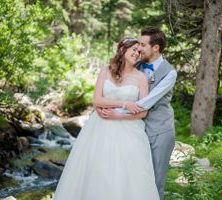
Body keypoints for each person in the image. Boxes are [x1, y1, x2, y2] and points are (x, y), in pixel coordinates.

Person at [53, 37, 160, 200]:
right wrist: (125, 103)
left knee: (125, 174)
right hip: (100, 126)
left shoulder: (141, 78)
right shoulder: (106, 70)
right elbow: (97, 100)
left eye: (139, 51)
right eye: (134, 50)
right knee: (97, 171)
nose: (137, 54)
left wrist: (119, 115)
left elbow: (143, 112)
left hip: (129, 129)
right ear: (123, 50)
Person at [98, 27, 177, 200]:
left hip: (159, 130)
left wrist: (114, 112)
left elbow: (146, 102)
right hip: (135, 130)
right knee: (134, 179)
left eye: (142, 44)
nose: (139, 48)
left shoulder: (170, 72)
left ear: (155, 47)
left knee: (155, 181)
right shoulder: (137, 63)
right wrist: (100, 104)